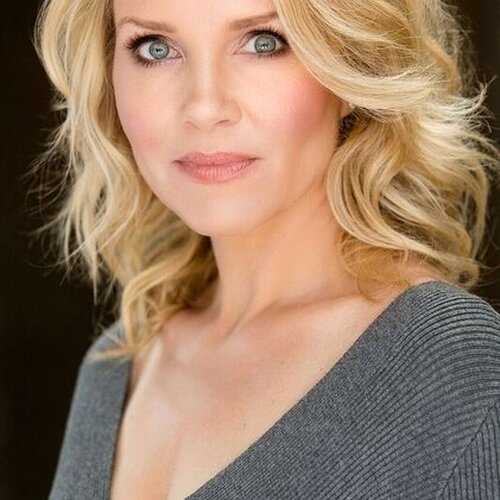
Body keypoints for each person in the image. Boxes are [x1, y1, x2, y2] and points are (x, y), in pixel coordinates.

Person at [31, 0, 500, 498]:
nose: (205, 107)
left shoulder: (456, 371)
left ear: (353, 65)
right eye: (156, 48)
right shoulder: (115, 368)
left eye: (263, 43)